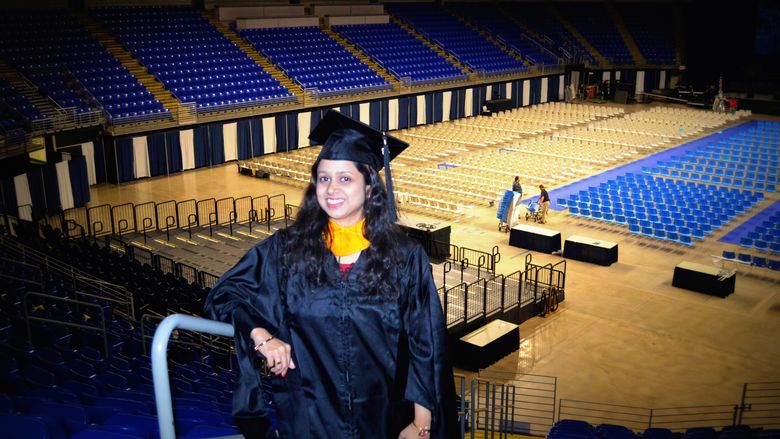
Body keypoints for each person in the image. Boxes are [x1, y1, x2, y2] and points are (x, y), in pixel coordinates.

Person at [204, 110, 459, 439]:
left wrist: (421, 424)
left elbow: (426, 346)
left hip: (382, 420)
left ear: (370, 188)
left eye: (345, 178)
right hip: (309, 421)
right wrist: (262, 337)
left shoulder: (404, 258)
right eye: (323, 178)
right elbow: (224, 295)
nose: (331, 188)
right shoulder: (285, 251)